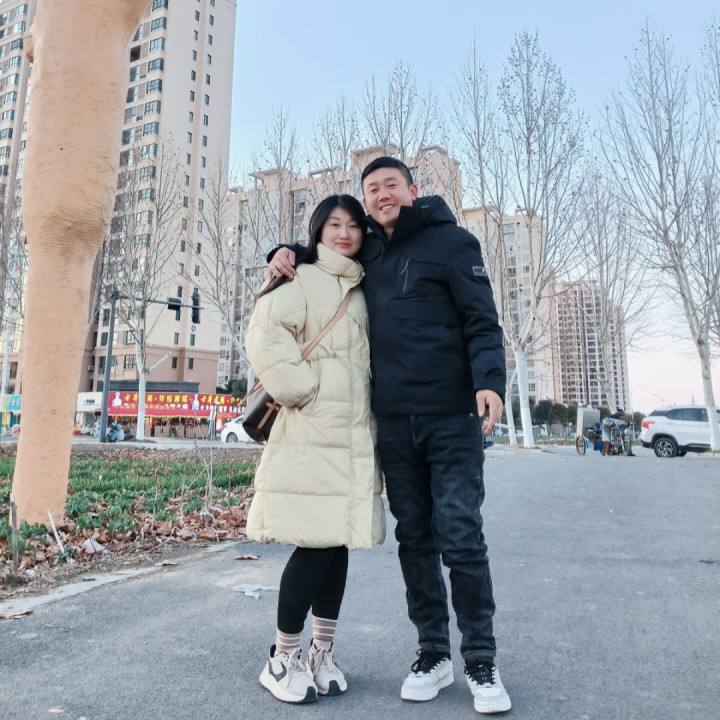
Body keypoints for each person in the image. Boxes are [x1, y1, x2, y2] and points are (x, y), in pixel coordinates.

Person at [268, 157, 511, 714]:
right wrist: (283, 252)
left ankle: (481, 660)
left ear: (412, 190)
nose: (381, 195)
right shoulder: (369, 253)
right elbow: (326, 255)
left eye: (390, 186)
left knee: (461, 537)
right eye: (372, 188)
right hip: (395, 423)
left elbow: (482, 320)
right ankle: (433, 654)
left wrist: (490, 382)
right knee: (416, 540)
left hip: (451, 417)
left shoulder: (454, 243)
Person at [245, 194, 386, 705]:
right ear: (318, 230)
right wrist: (304, 390)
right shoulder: (300, 276)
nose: (344, 234)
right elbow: (265, 333)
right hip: (311, 431)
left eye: (353, 226)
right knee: (315, 546)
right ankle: (281, 657)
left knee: (337, 543)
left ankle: (321, 653)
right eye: (334, 224)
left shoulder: (363, 285)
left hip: (353, 437)